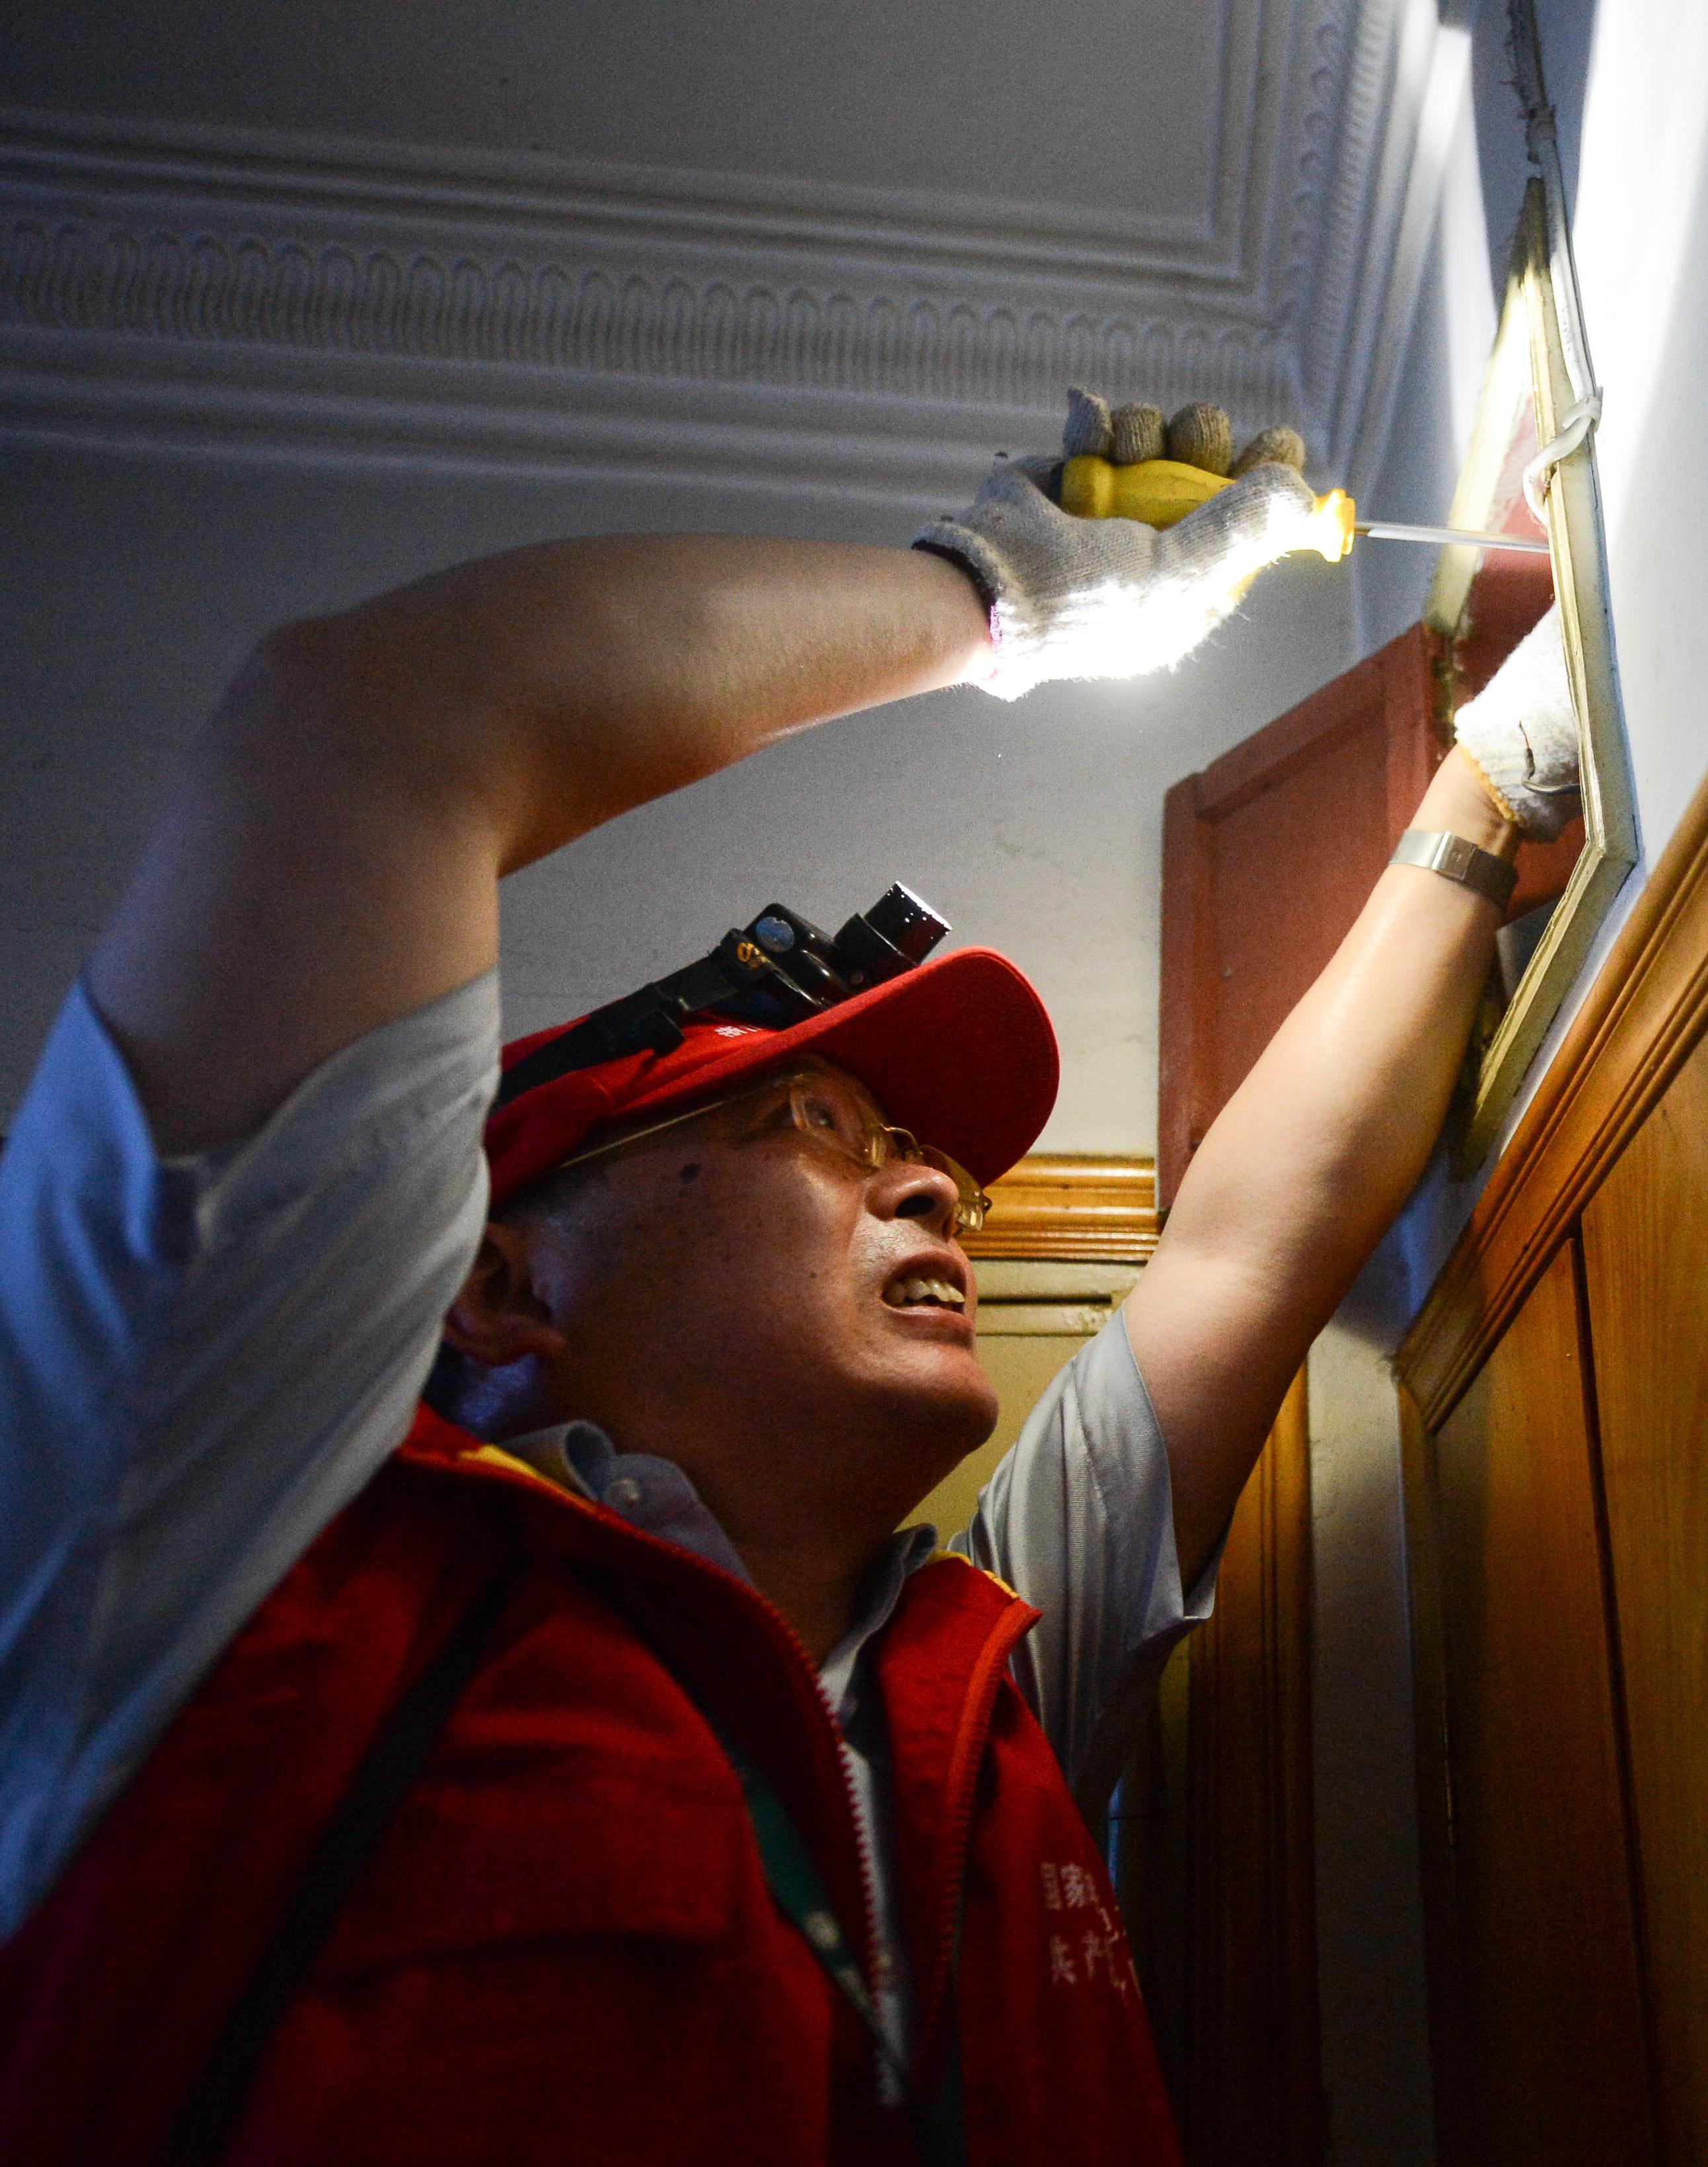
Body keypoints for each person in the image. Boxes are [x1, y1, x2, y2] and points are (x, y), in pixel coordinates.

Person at [0, 394, 1575, 2164]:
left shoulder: (974, 1675)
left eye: (913, 1148)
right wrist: (998, 599)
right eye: (814, 1123)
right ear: (505, 1286)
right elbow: (362, 729)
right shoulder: (226, 1568)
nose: (936, 1185)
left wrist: (1493, 781)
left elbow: (1248, 1245)